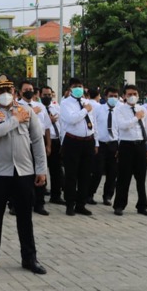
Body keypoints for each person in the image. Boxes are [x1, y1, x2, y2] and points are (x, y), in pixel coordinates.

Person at [0, 74, 47, 277]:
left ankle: (29, 257)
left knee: (25, 216)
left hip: (24, 171)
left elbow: (37, 140)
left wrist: (41, 169)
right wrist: (15, 120)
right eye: (1, 91)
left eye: (9, 90)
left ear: (14, 92)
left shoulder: (26, 110)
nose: (5, 94)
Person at [112, 84, 147, 216]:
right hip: (126, 145)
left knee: (141, 177)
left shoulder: (142, 109)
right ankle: (119, 205)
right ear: (124, 96)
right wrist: (136, 117)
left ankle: (142, 205)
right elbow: (122, 126)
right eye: (129, 94)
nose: (132, 96)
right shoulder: (119, 110)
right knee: (124, 177)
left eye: (134, 94)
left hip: (140, 145)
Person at [59, 77, 97, 216]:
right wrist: (85, 110)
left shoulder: (86, 102)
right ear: (70, 88)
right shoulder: (65, 103)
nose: (78, 88)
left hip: (88, 141)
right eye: (75, 86)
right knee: (71, 175)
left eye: (80, 86)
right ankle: (70, 204)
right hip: (72, 141)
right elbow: (72, 119)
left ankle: (81, 204)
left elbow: (93, 123)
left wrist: (96, 141)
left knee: (85, 174)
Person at [17, 80, 51, 216]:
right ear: (20, 92)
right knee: (22, 176)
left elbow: (47, 127)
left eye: (31, 89)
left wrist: (48, 144)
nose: (28, 91)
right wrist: (31, 112)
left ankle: (39, 204)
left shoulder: (40, 106)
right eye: (25, 89)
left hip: (39, 142)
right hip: (23, 144)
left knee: (41, 172)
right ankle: (17, 204)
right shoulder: (17, 106)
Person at [89, 87, 119, 206]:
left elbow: (121, 129)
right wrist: (95, 143)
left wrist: (119, 146)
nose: (113, 98)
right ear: (106, 96)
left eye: (116, 96)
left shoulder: (120, 110)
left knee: (113, 173)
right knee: (97, 172)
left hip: (114, 144)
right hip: (101, 144)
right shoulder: (99, 109)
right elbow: (94, 128)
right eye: (111, 96)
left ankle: (108, 196)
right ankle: (90, 194)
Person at [40, 86, 64, 204]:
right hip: (43, 140)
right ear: (40, 95)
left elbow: (62, 124)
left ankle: (56, 196)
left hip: (56, 140)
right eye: (45, 95)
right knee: (42, 168)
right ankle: (41, 193)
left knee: (56, 170)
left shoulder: (56, 107)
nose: (47, 97)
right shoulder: (38, 108)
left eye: (49, 94)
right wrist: (49, 120)